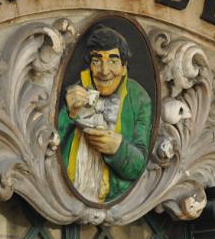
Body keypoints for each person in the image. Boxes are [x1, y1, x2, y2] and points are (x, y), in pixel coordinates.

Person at [57, 26, 152, 203]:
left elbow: (140, 165)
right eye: (96, 61)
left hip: (114, 200)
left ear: (124, 67)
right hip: (65, 194)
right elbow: (50, 144)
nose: (104, 70)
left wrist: (118, 148)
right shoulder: (77, 91)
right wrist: (70, 114)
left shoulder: (138, 98)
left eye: (113, 61)